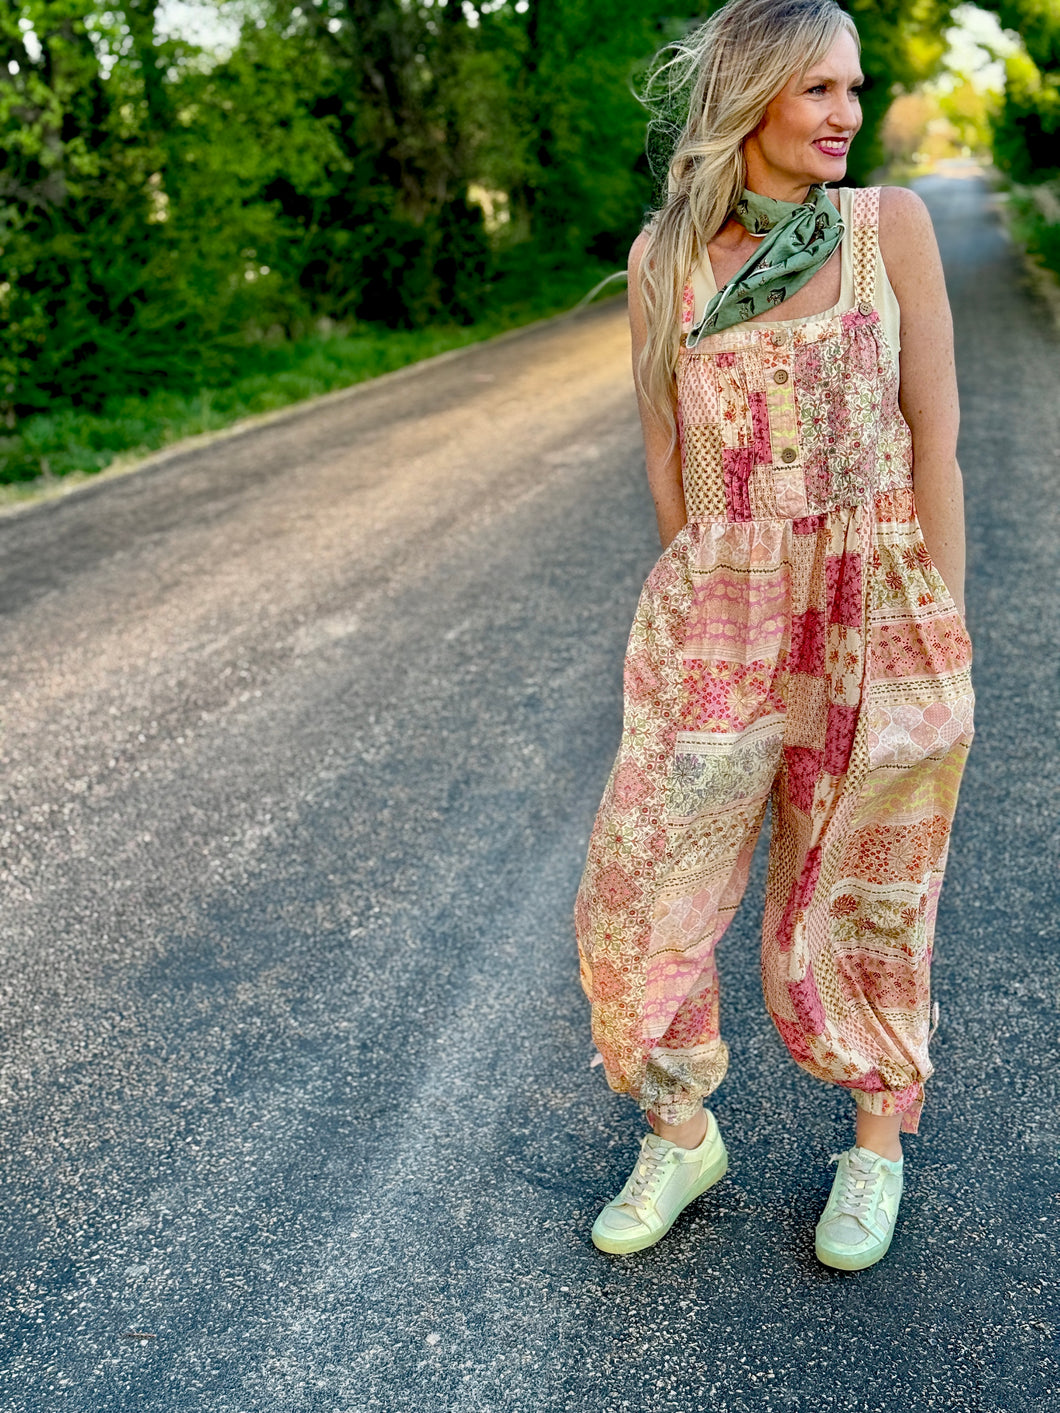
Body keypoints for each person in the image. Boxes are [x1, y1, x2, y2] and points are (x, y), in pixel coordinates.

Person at [573, 0, 975, 1271]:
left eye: (853, 88)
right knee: (646, 885)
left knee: (866, 880)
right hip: (722, 612)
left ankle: (875, 1145)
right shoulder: (663, 262)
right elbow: (666, 456)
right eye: (815, 90)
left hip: (874, 603)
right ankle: (681, 1129)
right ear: (746, 99)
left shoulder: (887, 229)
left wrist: (940, 637)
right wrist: (700, 600)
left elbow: (938, 441)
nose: (846, 114)